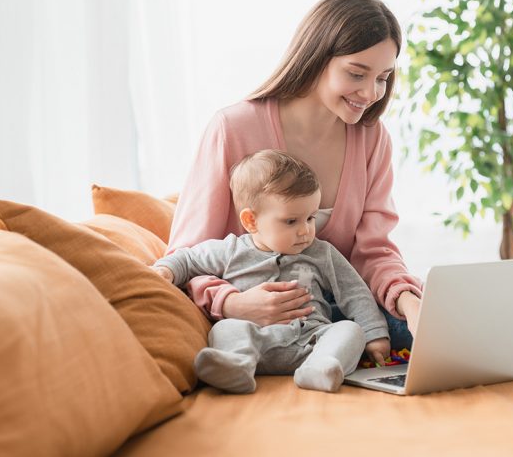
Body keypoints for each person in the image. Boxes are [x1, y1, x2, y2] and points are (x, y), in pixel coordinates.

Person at [167, 0, 513, 456]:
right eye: (357, 73)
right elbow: (187, 251)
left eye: (384, 77)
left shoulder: (372, 139)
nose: (372, 93)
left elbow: (374, 251)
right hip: (279, 324)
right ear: (316, 57)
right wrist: (234, 303)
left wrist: (408, 299)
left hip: (358, 312)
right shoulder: (233, 128)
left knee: (506, 332)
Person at [154, 149, 390, 394]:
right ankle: (235, 367)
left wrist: (375, 334)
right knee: (225, 329)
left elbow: (354, 291)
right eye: (291, 221)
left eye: (311, 218)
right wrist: (166, 270)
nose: (305, 231)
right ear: (251, 221)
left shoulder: (322, 253)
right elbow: (188, 258)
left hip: (311, 341)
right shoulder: (231, 249)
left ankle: (319, 369)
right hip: (256, 341)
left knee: (350, 331)